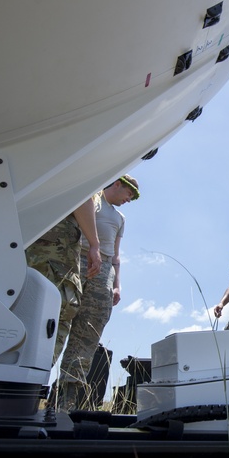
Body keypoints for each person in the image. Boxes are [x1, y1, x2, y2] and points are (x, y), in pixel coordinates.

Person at [58, 175, 139, 409]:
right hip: (75, 260)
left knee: (89, 331)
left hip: (103, 270)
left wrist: (117, 284)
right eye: (129, 194)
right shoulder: (91, 198)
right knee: (57, 321)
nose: (129, 200)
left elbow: (116, 254)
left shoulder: (120, 217)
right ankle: (34, 386)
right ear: (117, 184)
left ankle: (68, 399)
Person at [25, 192, 103, 411]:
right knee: (54, 318)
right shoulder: (87, 172)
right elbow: (82, 194)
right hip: (54, 255)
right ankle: (25, 393)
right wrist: (94, 245)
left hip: (42, 252)